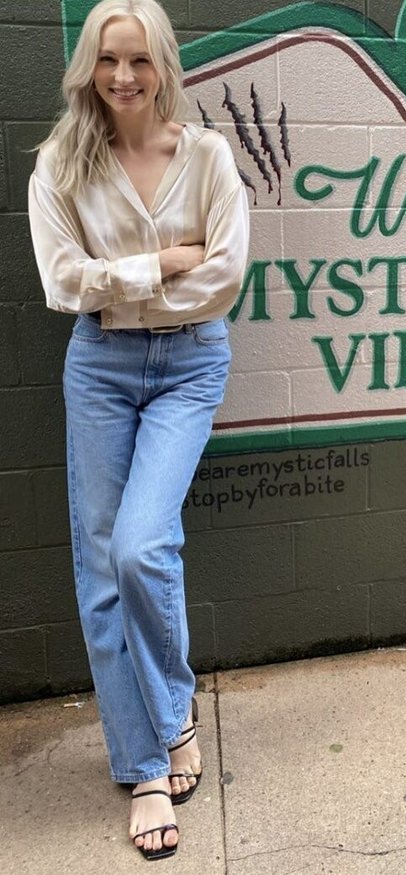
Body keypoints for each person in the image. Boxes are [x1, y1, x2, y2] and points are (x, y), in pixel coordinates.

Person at [28, 0, 249, 861]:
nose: (123, 77)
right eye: (108, 60)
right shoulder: (60, 163)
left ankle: (171, 702)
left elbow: (223, 278)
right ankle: (149, 761)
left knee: (140, 546)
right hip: (101, 369)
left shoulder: (208, 155)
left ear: (164, 65)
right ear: (89, 67)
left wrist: (115, 280)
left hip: (191, 365)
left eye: (140, 60)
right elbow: (62, 282)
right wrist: (160, 262)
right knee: (101, 565)